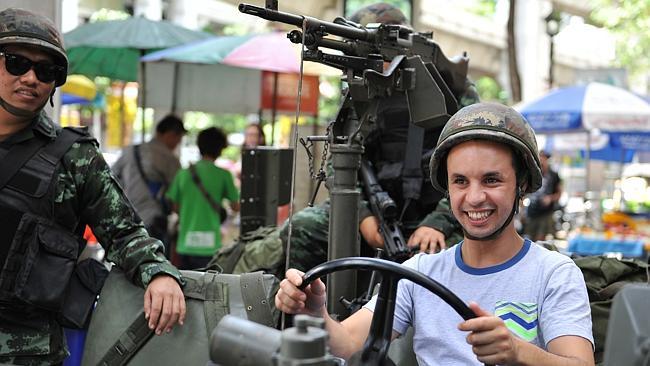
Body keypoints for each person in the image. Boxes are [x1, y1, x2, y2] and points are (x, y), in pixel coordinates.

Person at [276, 103, 595, 365]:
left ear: (522, 184)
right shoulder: (419, 272)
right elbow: (349, 344)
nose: (473, 198)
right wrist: (315, 313)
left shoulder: (554, 273)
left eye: (491, 180)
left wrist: (519, 351)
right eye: (460, 181)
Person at [0, 8, 185, 365]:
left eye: (46, 70)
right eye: (17, 62)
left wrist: (159, 273)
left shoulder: (74, 157)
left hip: (25, 351)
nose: (32, 78)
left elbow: (126, 232)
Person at [166, 127, 240, 269]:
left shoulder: (184, 173)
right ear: (220, 149)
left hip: (185, 244)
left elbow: (174, 205)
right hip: (210, 246)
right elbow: (236, 206)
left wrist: (189, 212)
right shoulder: (223, 175)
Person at [112, 114, 186, 253]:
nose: (178, 143)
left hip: (127, 219)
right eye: (179, 139)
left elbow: (112, 177)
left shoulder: (130, 151)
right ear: (171, 135)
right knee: (153, 266)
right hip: (154, 221)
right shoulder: (170, 160)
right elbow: (177, 195)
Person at [524, 150, 562, 241]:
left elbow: (559, 193)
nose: (542, 160)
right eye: (540, 157)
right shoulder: (532, 173)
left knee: (540, 239)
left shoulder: (554, 175)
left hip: (546, 212)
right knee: (529, 237)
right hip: (532, 211)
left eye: (544, 158)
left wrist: (550, 198)